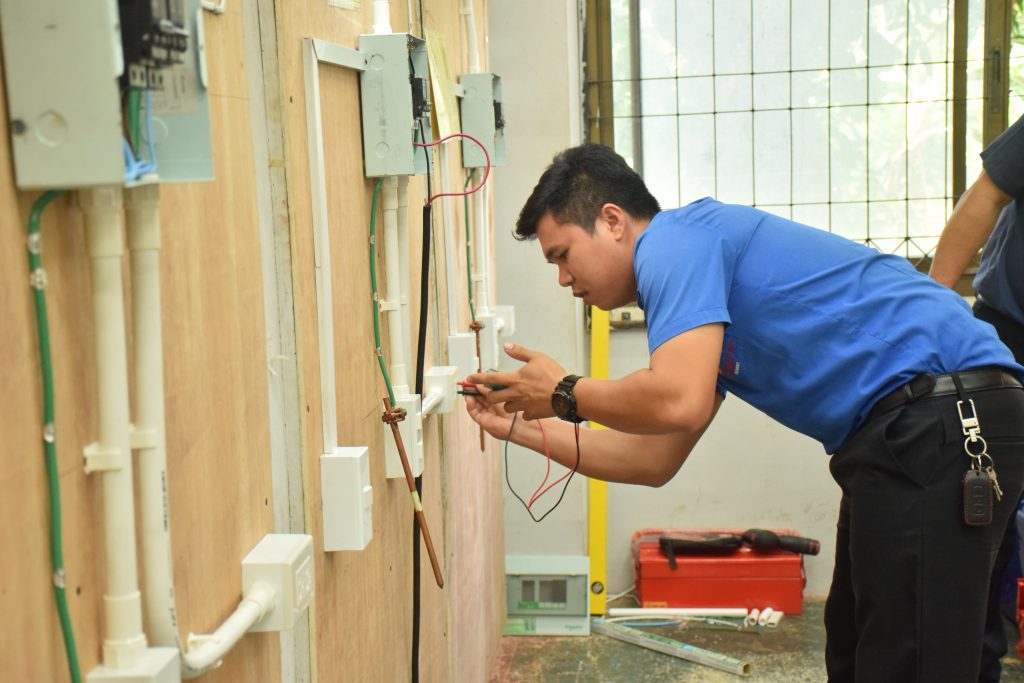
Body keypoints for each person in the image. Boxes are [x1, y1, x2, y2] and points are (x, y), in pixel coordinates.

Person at [464, 143, 1024, 682]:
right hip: (918, 427)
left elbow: (676, 400)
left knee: (909, 661)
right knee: (864, 650)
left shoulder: (674, 242)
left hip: (943, 416)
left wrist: (564, 391)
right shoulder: (696, 291)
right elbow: (652, 459)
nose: (563, 279)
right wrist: (523, 429)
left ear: (612, 220)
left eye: (562, 255)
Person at [930, 112, 1024, 682]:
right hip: (1007, 335)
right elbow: (987, 194)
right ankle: (977, 665)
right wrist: (931, 304)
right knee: (983, 512)